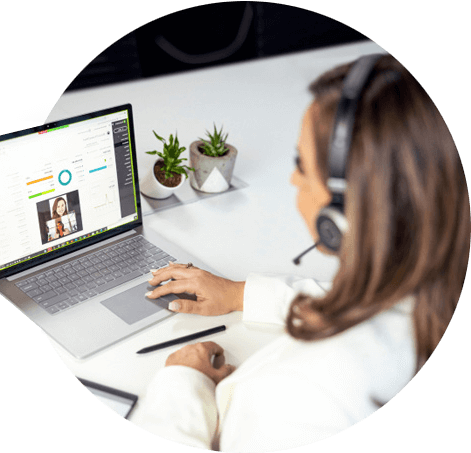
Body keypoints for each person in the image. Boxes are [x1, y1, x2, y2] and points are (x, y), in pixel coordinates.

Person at [134, 54, 469, 451]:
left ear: (341, 212)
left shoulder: (303, 396)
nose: (293, 177)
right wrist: (241, 294)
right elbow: (369, 305)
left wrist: (182, 385)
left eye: (302, 164)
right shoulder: (435, 294)